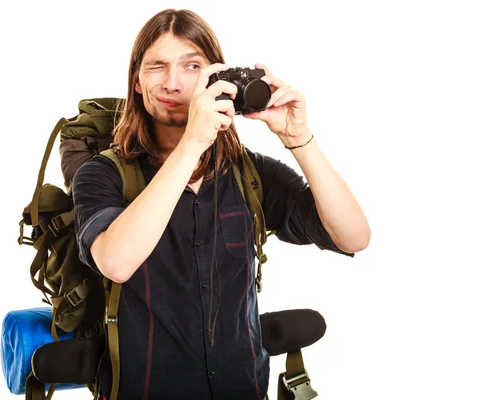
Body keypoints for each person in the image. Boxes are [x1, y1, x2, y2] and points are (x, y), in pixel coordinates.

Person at [72, 8, 370, 400]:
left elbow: (353, 236)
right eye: (156, 67)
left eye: (191, 65)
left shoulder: (250, 174)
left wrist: (299, 137)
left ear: (216, 77)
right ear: (138, 83)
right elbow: (116, 262)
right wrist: (194, 141)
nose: (173, 82)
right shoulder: (102, 174)